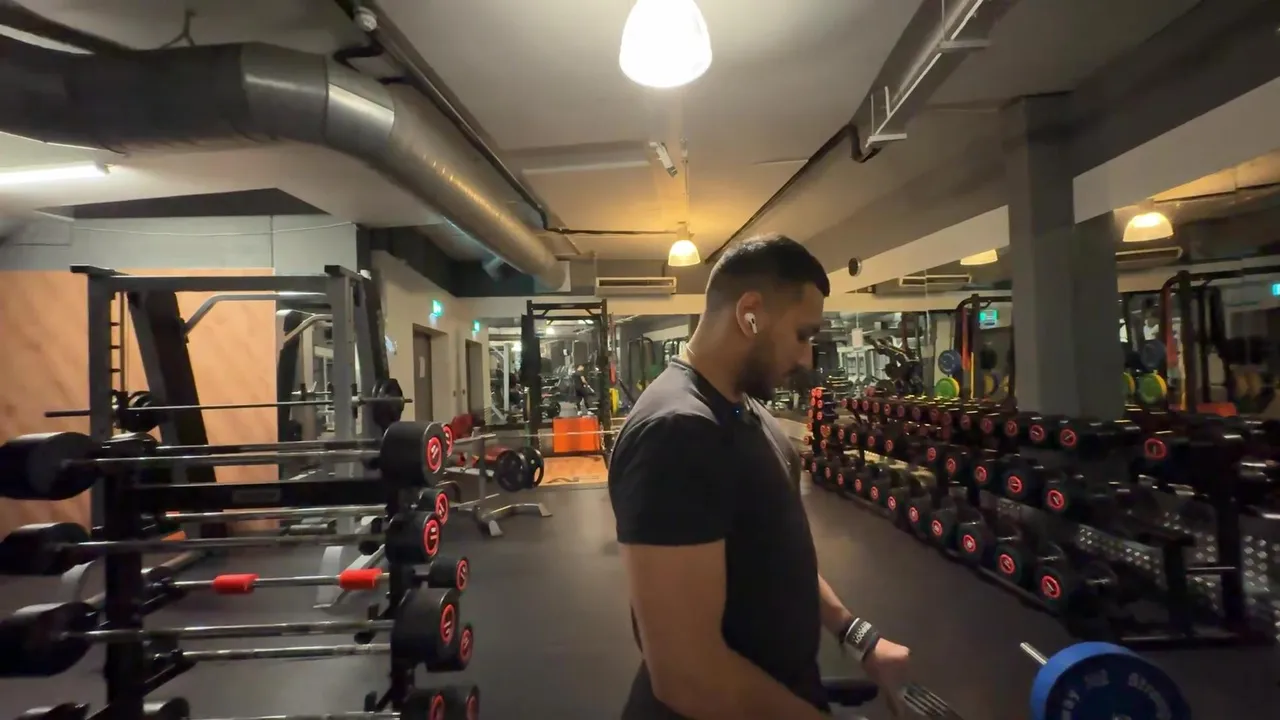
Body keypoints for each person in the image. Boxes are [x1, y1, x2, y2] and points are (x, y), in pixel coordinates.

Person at [607, 234, 911, 719]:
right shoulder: (677, 432)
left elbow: (773, 555)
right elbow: (687, 677)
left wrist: (858, 636)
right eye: (802, 336)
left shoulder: (743, 409)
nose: (806, 359)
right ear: (750, 314)